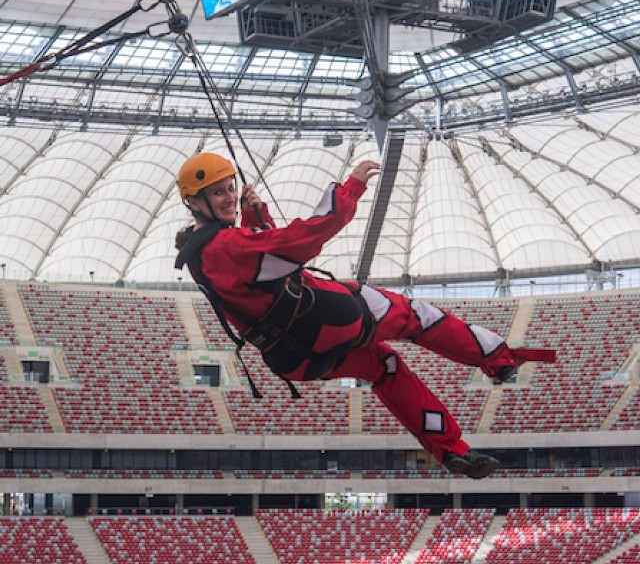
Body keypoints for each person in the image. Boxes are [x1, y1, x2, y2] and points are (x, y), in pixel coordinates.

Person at [174, 153, 555, 479]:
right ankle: (499, 359)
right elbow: (300, 242)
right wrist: (350, 189)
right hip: (331, 318)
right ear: (195, 201)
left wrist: (254, 215)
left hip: (296, 360)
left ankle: (451, 449)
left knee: (385, 367)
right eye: (218, 192)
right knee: (416, 315)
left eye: (230, 187)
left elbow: (261, 270)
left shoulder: (200, 253)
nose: (229, 196)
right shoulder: (228, 244)